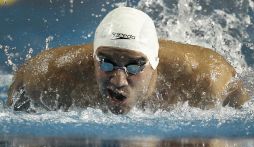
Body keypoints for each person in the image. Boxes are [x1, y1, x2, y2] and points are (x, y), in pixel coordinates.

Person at [7, 7, 249, 114]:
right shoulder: (48, 76)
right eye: (106, 62)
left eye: (134, 65)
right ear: (92, 59)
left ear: (154, 62)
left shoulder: (207, 78)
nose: (118, 79)